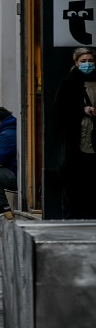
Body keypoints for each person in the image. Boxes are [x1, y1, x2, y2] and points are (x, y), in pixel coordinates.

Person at [55, 47, 96, 218]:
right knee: (75, 186)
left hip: (94, 139)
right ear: (76, 63)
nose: (87, 64)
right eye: (83, 61)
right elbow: (60, 109)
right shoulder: (68, 83)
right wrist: (82, 109)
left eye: (90, 61)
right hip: (76, 142)